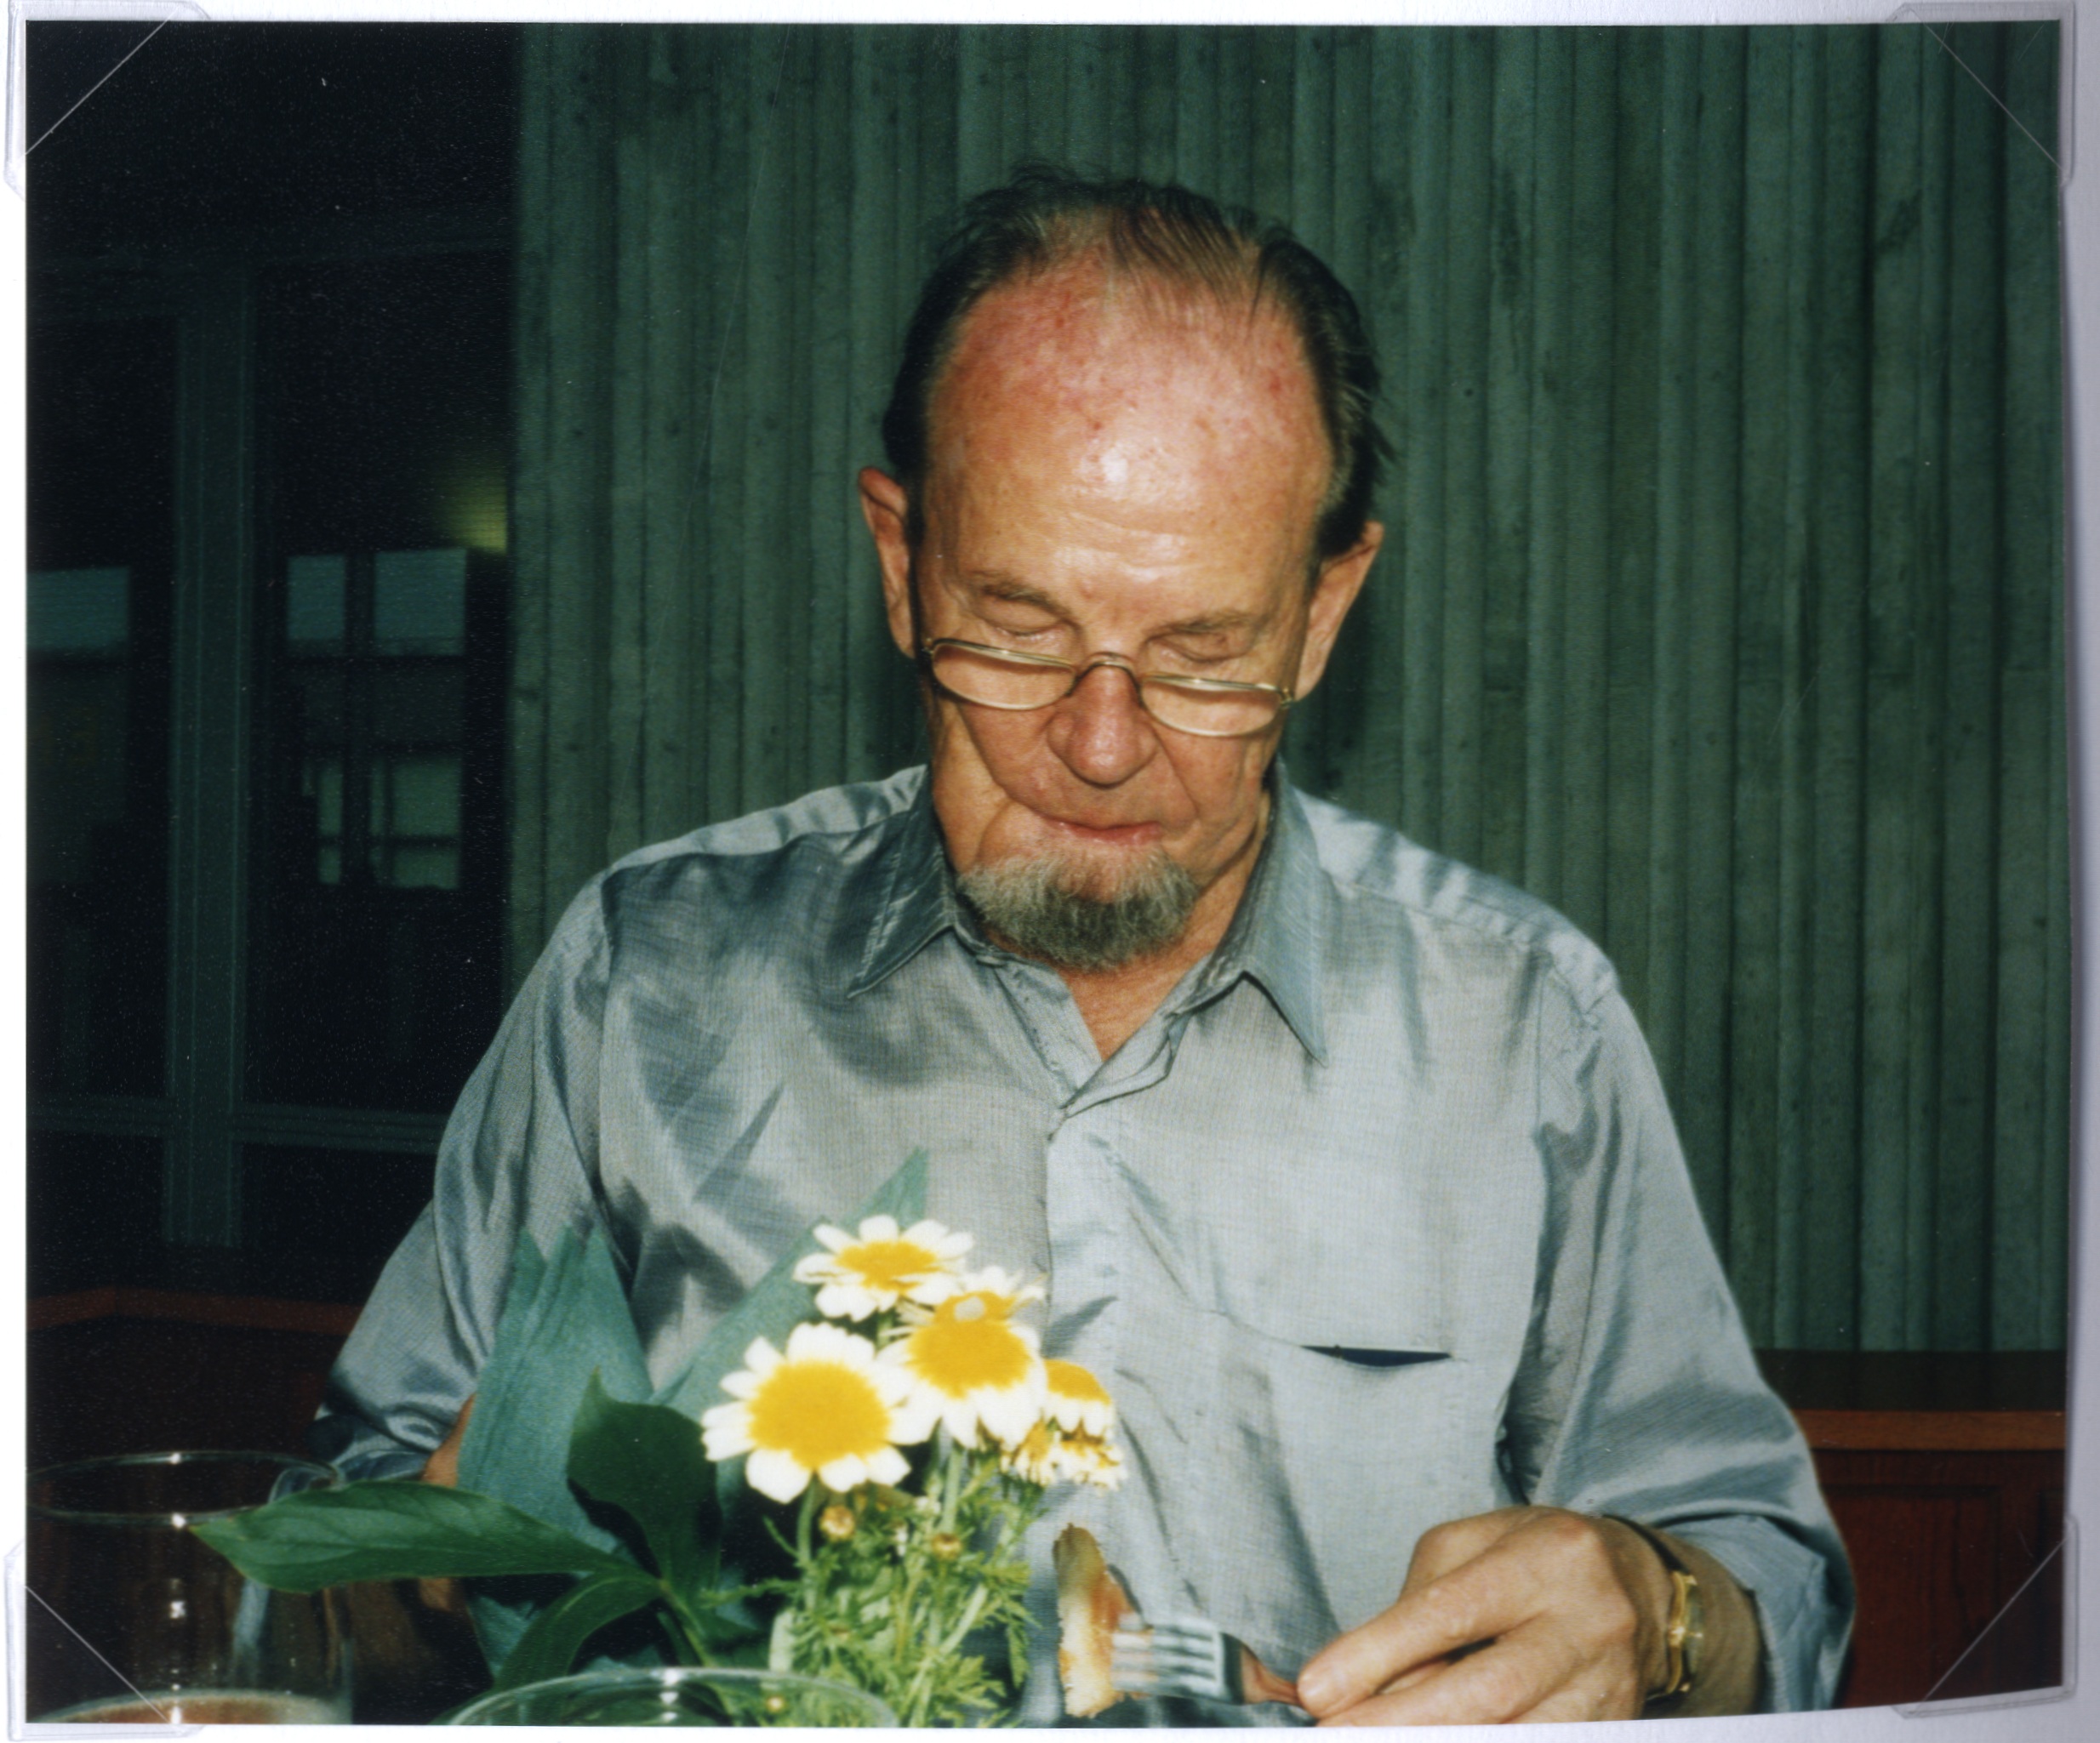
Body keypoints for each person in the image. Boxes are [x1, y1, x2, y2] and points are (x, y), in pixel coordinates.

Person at [315, 166, 1852, 1723]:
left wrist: (1655, 1611)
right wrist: (444, 1571)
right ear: (900, 560)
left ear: (1323, 613)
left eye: (1204, 653)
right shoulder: (646, 976)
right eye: (1020, 629)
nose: (1104, 745)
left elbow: (1773, 1588)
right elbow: (343, 1555)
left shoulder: (1521, 1019)